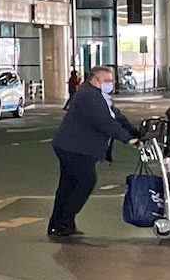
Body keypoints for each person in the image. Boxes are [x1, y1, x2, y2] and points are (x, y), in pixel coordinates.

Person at [48, 64, 137, 238]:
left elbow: (117, 117)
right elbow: (104, 122)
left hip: (73, 146)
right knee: (85, 181)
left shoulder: (100, 96)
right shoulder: (89, 95)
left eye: (111, 81)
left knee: (68, 186)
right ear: (95, 79)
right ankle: (64, 221)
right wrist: (128, 139)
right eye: (107, 81)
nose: (110, 84)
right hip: (74, 148)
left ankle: (59, 224)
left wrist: (136, 132)